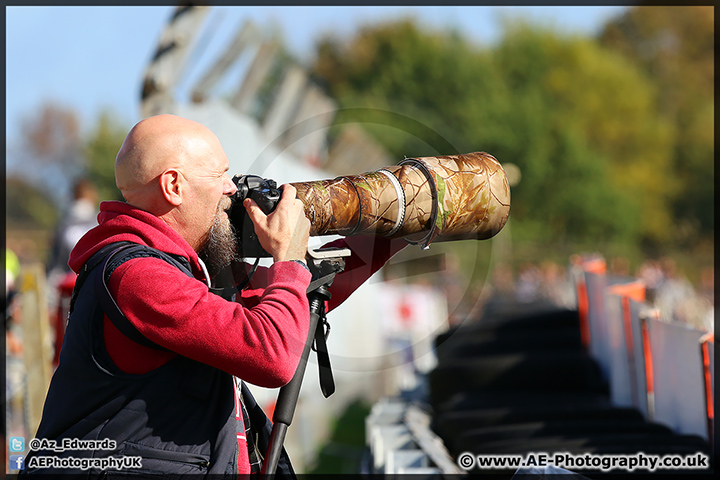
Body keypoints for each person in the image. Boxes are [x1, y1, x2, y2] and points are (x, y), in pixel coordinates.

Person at [23, 114, 405, 476]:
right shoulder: (138, 276)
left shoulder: (183, 269)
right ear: (174, 186)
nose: (232, 188)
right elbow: (270, 355)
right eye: (219, 173)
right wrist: (288, 257)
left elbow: (298, 299)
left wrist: (397, 230)